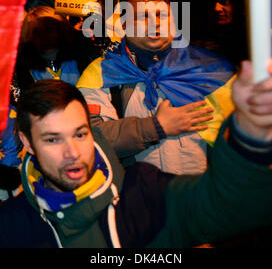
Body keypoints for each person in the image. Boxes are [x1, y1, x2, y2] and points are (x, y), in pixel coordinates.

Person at [0, 69, 272, 248]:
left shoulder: (144, 191)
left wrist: (249, 137)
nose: (72, 152)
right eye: (52, 139)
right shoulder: (13, 226)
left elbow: (228, 208)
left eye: (80, 134)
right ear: (27, 142)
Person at [77, 0, 235, 174]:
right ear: (124, 24)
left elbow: (238, 137)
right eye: (142, 17)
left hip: (201, 195)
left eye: (162, 15)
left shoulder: (209, 69)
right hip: (136, 197)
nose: (155, 23)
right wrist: (155, 128)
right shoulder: (100, 73)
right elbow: (88, 139)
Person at [15, 5, 100, 94]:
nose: (43, 36)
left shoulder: (84, 56)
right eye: (36, 32)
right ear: (28, 36)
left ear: (60, 28)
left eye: (48, 29)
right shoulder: (24, 68)